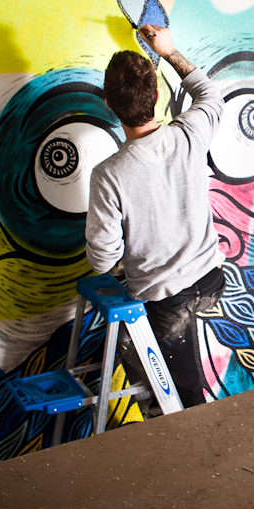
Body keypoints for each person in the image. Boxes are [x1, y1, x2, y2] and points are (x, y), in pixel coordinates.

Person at [86, 23, 226, 408]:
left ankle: (184, 438)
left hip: (167, 303)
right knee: (181, 386)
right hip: (212, 280)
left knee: (177, 403)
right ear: (158, 94)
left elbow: (102, 262)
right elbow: (210, 94)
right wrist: (169, 52)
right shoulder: (189, 133)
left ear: (109, 105)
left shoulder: (109, 175)